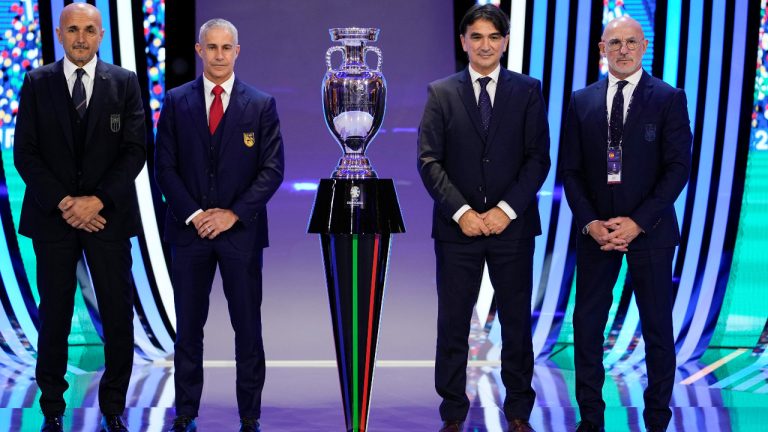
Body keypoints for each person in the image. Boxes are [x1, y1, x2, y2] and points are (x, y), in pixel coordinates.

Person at [417, 4, 550, 432]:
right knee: (453, 323)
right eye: (476, 37)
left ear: (506, 42)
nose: (485, 45)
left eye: (493, 37)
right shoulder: (441, 92)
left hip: (512, 228)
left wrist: (504, 211)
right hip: (458, 230)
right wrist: (462, 212)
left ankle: (518, 412)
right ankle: (453, 412)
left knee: (515, 323)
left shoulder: (528, 90)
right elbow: (429, 161)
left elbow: (537, 159)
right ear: (463, 43)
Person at [13, 3, 146, 432]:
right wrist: (67, 203)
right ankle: (52, 405)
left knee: (116, 311)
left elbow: (134, 151)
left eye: (89, 29)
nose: (81, 38)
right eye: (73, 29)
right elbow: (25, 153)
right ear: (59, 32)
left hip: (107, 219)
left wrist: (97, 201)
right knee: (53, 313)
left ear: (101, 34)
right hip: (54, 219)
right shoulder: (36, 83)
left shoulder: (124, 83)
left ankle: (113, 407)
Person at [560, 16, 692, 432]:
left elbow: (678, 168)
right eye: (614, 42)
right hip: (596, 234)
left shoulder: (669, 98)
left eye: (630, 42)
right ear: (602, 48)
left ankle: (657, 419)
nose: (622, 49)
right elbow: (571, 170)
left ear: (644, 45)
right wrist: (590, 223)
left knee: (656, 327)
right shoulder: (581, 100)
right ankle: (591, 419)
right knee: (587, 326)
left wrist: (638, 222)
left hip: (650, 233)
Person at [155, 18, 284, 432]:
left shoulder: (261, 104)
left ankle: (249, 415)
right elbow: (164, 167)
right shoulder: (176, 102)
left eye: (226, 48)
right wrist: (195, 214)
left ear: (237, 52)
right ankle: (186, 412)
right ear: (199, 50)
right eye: (211, 48)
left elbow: (272, 169)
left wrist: (231, 214)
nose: (218, 55)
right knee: (188, 329)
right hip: (189, 233)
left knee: (247, 328)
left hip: (240, 235)